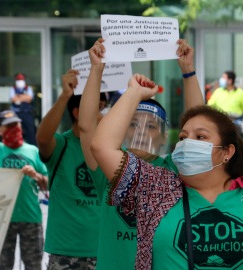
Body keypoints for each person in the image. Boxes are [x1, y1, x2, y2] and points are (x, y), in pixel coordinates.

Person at [90, 69, 243, 269]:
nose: (187, 143)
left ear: (227, 151)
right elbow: (102, 146)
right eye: (182, 137)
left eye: (200, 137)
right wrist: (133, 92)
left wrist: (189, 72)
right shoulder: (156, 188)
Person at [78, 38, 204, 270]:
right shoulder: (108, 166)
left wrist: (188, 71)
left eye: (151, 126)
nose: (141, 132)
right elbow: (86, 126)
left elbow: (199, 125)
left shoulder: (174, 169)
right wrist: (96, 69)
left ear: (165, 136)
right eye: (134, 124)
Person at [36, 70, 102, 270]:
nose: (101, 115)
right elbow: (42, 138)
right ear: (77, 112)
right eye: (97, 108)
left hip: (103, 249)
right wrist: (65, 95)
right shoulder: (62, 145)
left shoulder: (107, 150)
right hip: (65, 253)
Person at [0, 110, 48, 270]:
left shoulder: (33, 151)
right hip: (2, 219)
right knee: (2, 265)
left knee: (33, 265)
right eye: (7, 126)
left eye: (15, 124)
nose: (13, 128)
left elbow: (48, 183)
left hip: (30, 217)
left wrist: (36, 175)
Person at [10, 73, 37, 145]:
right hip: (16, 113)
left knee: (30, 132)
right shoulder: (13, 88)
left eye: (21, 79)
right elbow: (13, 99)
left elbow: (29, 99)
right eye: (18, 79)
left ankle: (33, 147)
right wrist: (24, 97)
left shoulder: (28, 88)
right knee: (14, 131)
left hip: (27, 113)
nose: (20, 81)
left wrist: (18, 97)